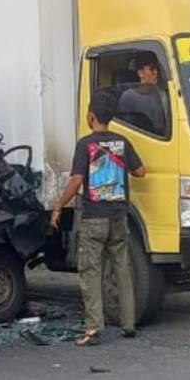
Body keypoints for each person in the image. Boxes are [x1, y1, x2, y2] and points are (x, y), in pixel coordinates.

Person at [50, 91, 145, 346]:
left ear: (90, 116)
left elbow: (77, 180)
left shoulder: (86, 145)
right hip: (119, 216)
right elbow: (140, 171)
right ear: (110, 118)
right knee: (122, 269)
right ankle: (128, 323)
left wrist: (59, 205)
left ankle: (93, 328)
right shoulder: (122, 143)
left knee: (90, 271)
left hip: (94, 219)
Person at [117, 53, 167, 136]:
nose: (156, 73)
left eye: (157, 69)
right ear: (140, 73)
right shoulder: (128, 97)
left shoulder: (163, 94)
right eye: (151, 69)